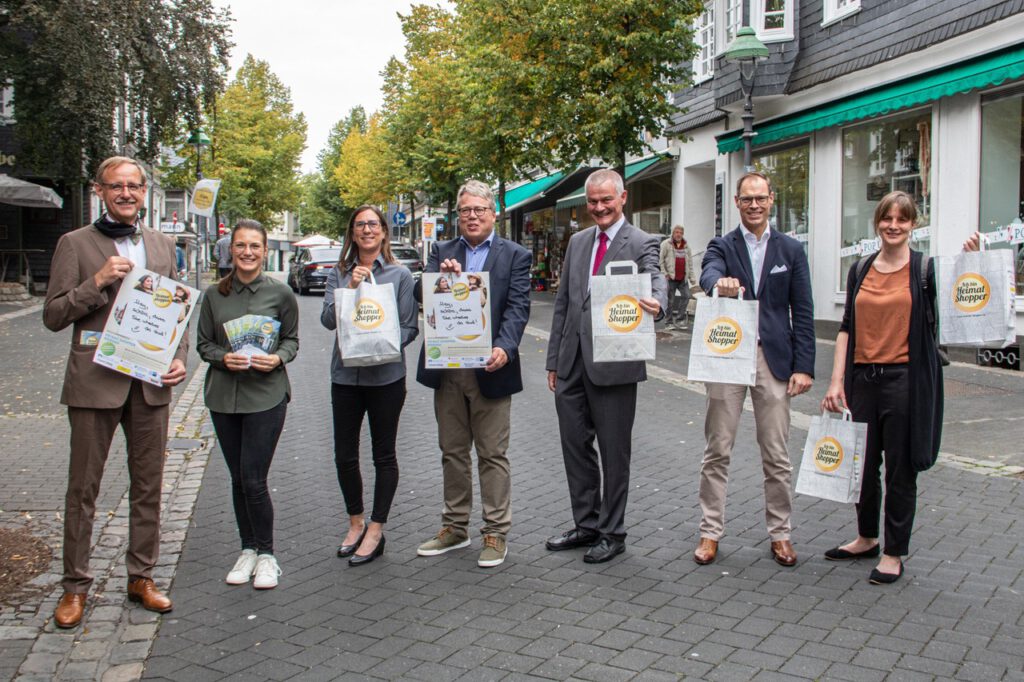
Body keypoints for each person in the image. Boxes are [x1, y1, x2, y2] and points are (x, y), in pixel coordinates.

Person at [43, 156, 188, 628]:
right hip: (94, 384)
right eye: (116, 186)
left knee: (148, 487)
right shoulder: (75, 243)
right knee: (82, 489)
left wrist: (179, 355)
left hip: (148, 386)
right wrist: (98, 281)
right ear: (100, 191)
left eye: (134, 186)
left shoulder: (162, 246)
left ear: (145, 192)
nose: (127, 194)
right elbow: (54, 315)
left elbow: (178, 307)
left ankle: (141, 577)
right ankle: (75, 587)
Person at [821, 193, 963, 584]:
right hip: (862, 380)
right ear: (878, 223)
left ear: (913, 224)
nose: (894, 225)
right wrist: (836, 381)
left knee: (900, 469)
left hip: (905, 380)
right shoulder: (861, 269)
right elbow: (846, 326)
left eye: (903, 219)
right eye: (887, 218)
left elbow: (959, 303)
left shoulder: (925, 270)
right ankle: (866, 537)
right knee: (862, 467)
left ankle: (893, 551)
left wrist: (973, 260)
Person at [545, 169, 667, 564]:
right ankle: (587, 523)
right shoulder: (579, 242)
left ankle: (613, 532)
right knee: (573, 446)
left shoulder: (642, 241)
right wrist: (553, 361)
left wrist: (659, 302)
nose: (598, 208)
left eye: (605, 200)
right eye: (592, 202)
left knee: (615, 453)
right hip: (572, 363)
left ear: (622, 198)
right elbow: (564, 303)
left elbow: (655, 277)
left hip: (615, 363)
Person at [694, 171, 815, 567]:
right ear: (737, 202)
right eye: (747, 199)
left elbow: (805, 311)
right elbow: (707, 272)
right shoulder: (722, 245)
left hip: (774, 357)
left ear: (771, 199)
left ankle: (781, 534)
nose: (755, 205)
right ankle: (710, 532)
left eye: (760, 198)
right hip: (728, 353)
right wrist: (718, 284)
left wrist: (804, 366)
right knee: (717, 450)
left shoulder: (791, 250)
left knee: (777, 453)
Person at [415, 179, 531, 568]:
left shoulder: (515, 254)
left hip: (490, 368)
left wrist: (506, 346)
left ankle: (496, 532)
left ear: (493, 213)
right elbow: (423, 298)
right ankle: (455, 526)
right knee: (452, 452)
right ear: (458, 215)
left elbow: (517, 307)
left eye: (480, 209)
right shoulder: (441, 251)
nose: (472, 216)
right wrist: (442, 280)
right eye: (465, 210)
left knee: (492, 454)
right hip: (449, 370)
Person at [197, 219, 299, 589]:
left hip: (266, 396)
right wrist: (224, 358)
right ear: (231, 249)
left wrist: (279, 358)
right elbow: (204, 344)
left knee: (254, 479)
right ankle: (247, 549)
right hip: (224, 397)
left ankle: (268, 555)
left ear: (265, 250)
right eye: (241, 245)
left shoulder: (281, 293)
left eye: (255, 246)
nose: (247, 252)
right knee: (238, 478)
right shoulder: (213, 295)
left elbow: (291, 340)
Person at [321, 206, 418, 567]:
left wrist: (383, 345)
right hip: (345, 376)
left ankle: (376, 529)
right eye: (360, 224)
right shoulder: (339, 272)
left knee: (384, 455)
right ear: (352, 233)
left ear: (383, 232)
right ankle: (355, 522)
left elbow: (410, 328)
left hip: (386, 378)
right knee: (344, 455)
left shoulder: (400, 275)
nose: (366, 230)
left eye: (373, 224)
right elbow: (328, 320)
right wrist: (350, 288)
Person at [659, 225, 697, 329]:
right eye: (676, 232)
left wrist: (692, 278)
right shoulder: (666, 244)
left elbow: (690, 264)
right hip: (670, 278)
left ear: (682, 234)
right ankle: (669, 322)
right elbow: (661, 261)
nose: (678, 234)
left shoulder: (686, 246)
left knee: (686, 296)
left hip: (683, 278)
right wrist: (665, 274)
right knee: (670, 301)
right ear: (673, 233)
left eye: (680, 232)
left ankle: (680, 320)